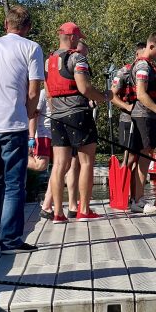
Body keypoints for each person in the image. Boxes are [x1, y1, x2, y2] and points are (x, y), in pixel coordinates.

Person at [0, 5, 44, 254]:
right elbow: (34, 91)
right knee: (15, 184)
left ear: (6, 24)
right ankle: (11, 241)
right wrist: (30, 112)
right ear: (28, 27)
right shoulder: (31, 48)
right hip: (11, 123)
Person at [46, 22, 111, 223]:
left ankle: (58, 213)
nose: (79, 40)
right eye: (78, 37)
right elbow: (84, 88)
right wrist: (104, 96)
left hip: (56, 116)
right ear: (72, 37)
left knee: (58, 165)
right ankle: (84, 209)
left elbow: (48, 93)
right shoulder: (77, 58)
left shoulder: (48, 61)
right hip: (78, 115)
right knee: (86, 163)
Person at [128, 32, 156, 213]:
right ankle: (138, 200)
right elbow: (141, 94)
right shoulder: (143, 66)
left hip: (153, 116)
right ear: (151, 46)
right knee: (144, 157)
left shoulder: (151, 66)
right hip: (145, 115)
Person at [110, 41, 146, 196]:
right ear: (137, 54)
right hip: (128, 119)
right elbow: (112, 95)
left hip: (143, 119)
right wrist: (127, 107)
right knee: (129, 158)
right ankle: (121, 193)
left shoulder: (147, 70)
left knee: (139, 158)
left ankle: (135, 196)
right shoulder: (124, 72)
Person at [26, 88, 51, 203]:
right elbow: (33, 114)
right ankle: (15, 158)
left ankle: (49, 201)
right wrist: (31, 137)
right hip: (43, 133)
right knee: (41, 165)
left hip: (57, 133)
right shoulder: (42, 93)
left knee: (62, 166)